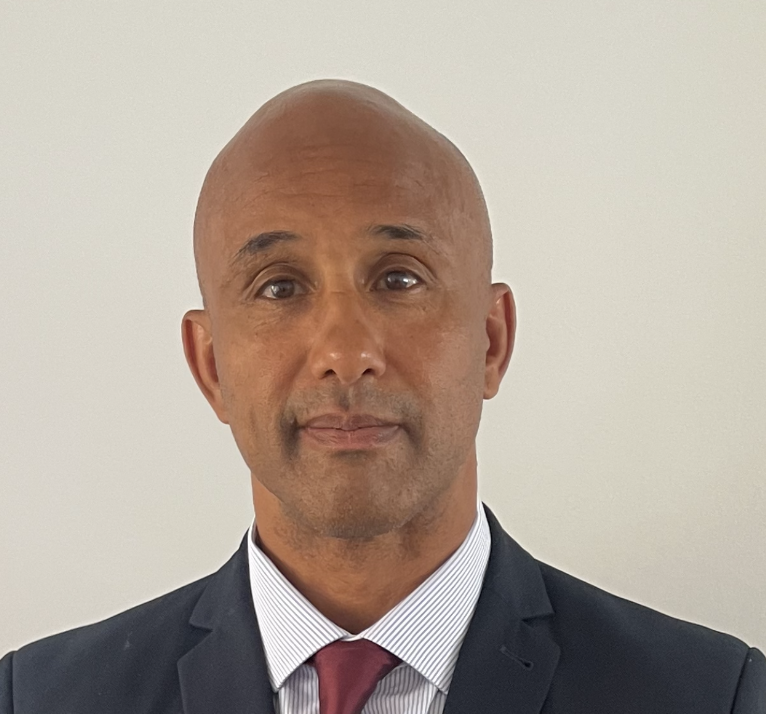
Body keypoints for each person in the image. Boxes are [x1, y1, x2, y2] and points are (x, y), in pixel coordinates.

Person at [1, 79, 763, 714]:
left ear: (491, 341)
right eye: (279, 287)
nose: (345, 354)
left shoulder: (711, 696)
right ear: (211, 367)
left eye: (399, 278)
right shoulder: (38, 699)